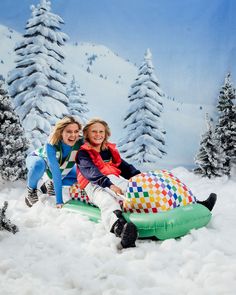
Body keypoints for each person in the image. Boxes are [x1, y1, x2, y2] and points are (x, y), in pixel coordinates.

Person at [76, 118, 217, 249]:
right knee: (107, 201)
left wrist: (141, 178)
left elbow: (124, 167)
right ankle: (121, 230)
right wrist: (109, 185)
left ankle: (196, 203)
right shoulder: (83, 154)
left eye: (101, 131)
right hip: (93, 185)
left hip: (112, 179)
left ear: (106, 134)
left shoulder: (108, 151)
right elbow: (91, 172)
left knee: (147, 188)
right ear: (87, 134)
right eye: (94, 131)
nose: (98, 134)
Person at [26, 116, 83, 208]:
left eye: (76, 131)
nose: (73, 135)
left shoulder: (80, 142)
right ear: (61, 132)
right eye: (69, 131)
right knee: (38, 165)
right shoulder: (52, 144)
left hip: (61, 167)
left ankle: (50, 183)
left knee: (81, 176)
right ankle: (31, 191)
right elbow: (56, 172)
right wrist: (59, 201)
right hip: (38, 159)